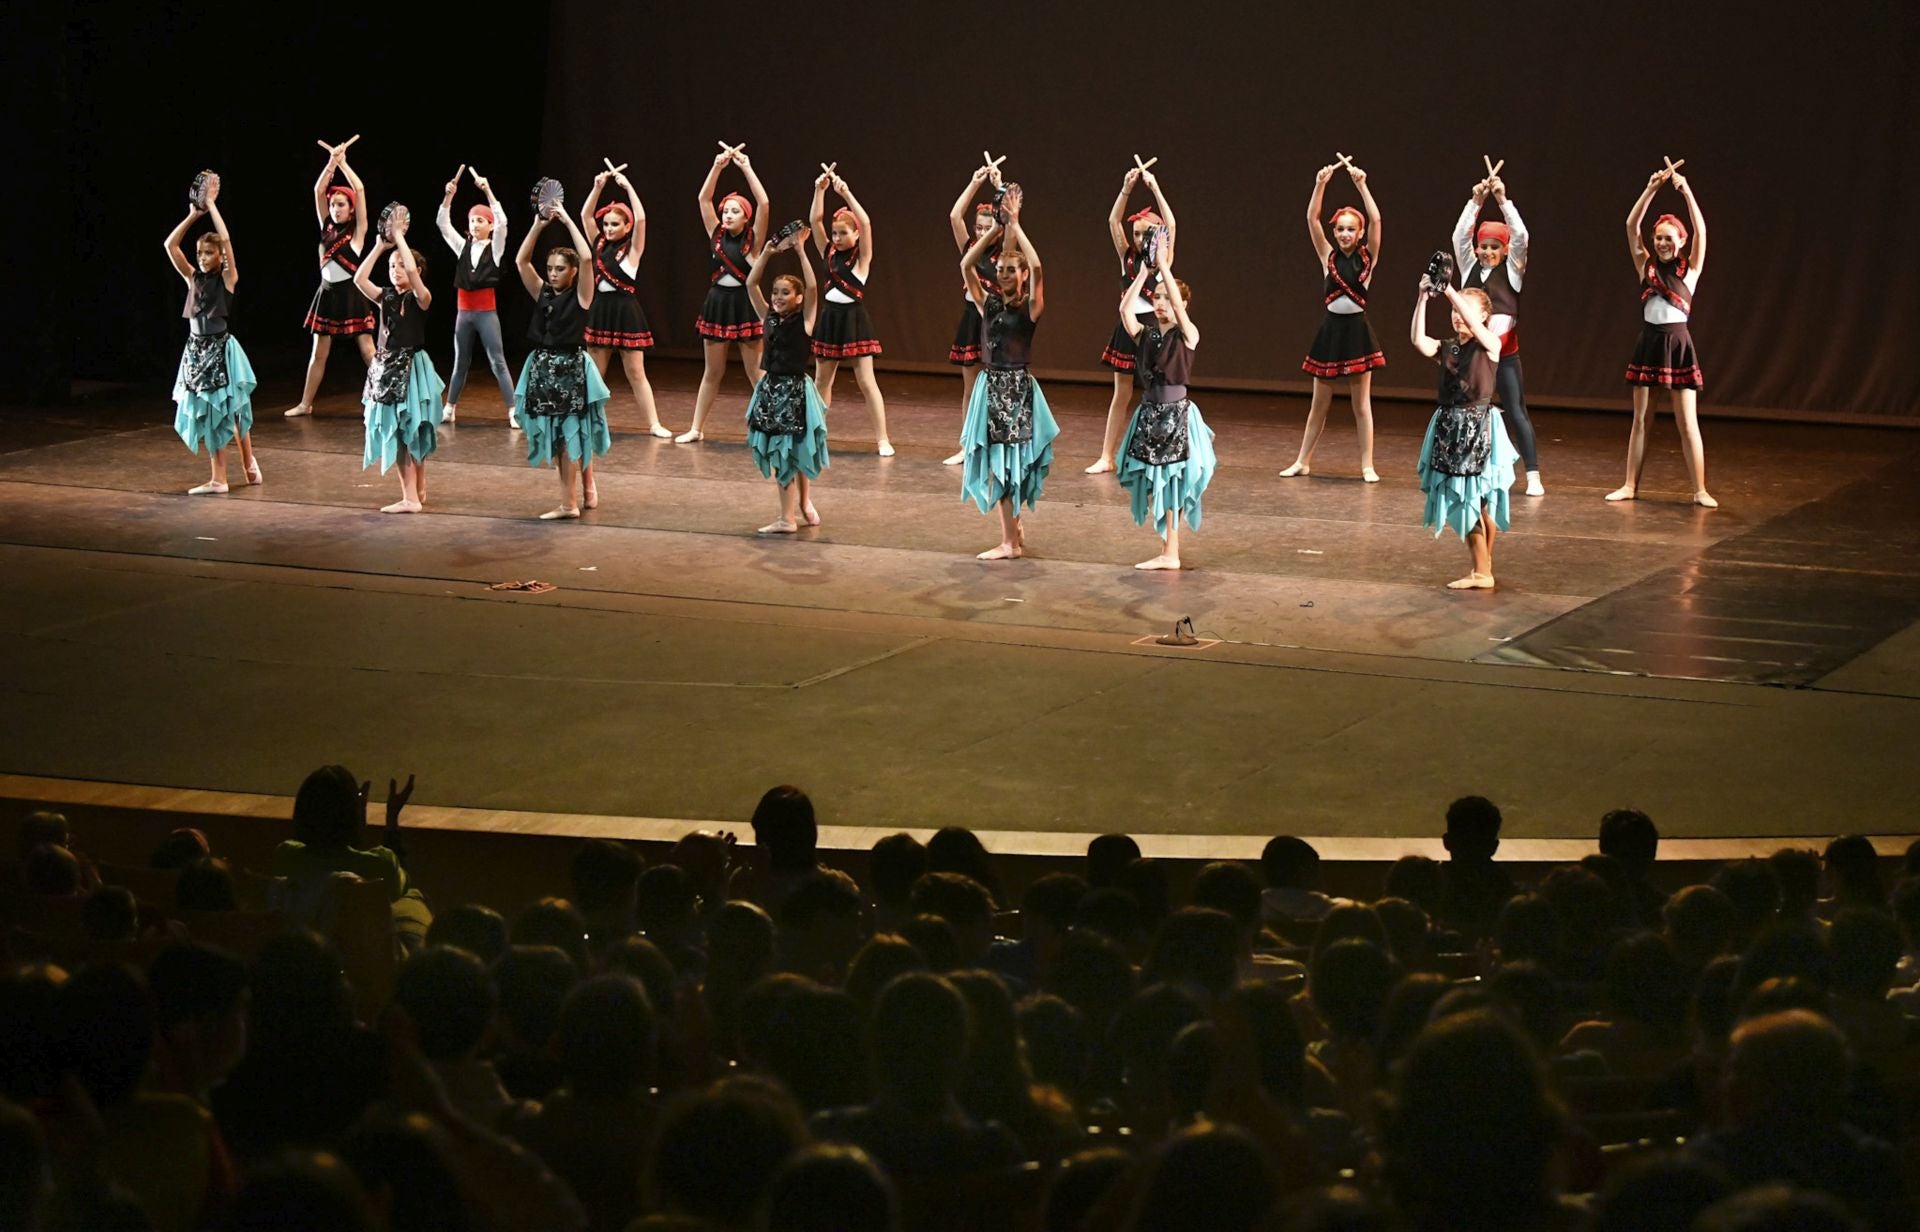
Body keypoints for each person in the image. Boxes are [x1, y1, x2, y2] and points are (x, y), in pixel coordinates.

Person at [958, 188, 1058, 562]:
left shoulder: (1030, 308)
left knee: (1008, 463)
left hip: (1016, 389)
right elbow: (968, 264)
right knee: (1000, 462)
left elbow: (1038, 266)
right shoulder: (989, 303)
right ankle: (1012, 534)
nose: (1001, 274)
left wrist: (1015, 224)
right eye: (999, 270)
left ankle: (1009, 542)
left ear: (1021, 276)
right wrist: (996, 230)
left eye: (1009, 270)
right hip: (992, 386)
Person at [1608, 163, 1714, 506]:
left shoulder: (1690, 269)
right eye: (1659, 238)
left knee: (1687, 423)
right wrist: (1651, 188)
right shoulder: (1646, 266)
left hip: (1678, 344)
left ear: (1681, 242)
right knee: (1641, 419)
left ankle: (1700, 490)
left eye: (1670, 238)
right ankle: (1629, 485)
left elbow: (1701, 230)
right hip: (1649, 343)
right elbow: (1630, 225)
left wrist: (1685, 191)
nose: (1663, 243)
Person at [1409, 278, 1518, 590]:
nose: (1457, 315)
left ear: (1482, 316)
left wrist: (1449, 292)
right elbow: (1418, 340)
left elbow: (1472, 322)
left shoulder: (1490, 343)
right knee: (1477, 501)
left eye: (1464, 311)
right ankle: (1482, 566)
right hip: (1451, 425)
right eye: (1454, 311)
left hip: (1477, 426)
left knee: (1472, 497)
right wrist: (1423, 298)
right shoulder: (1449, 347)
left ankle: (1482, 570)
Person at [1113, 240, 1214, 571]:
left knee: (1171, 483)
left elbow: (1182, 316)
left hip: (1176, 417)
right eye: (1156, 298)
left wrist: (1165, 269)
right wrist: (1143, 273)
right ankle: (1168, 548)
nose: (1159, 302)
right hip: (1150, 414)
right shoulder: (1148, 335)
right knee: (1158, 484)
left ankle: (1171, 552)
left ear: (1182, 303)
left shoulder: (1188, 334)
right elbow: (1125, 311)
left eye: (1167, 298)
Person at [1282, 159, 1384, 482]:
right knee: (1319, 404)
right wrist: (1320, 184)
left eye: (1350, 229)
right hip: (1330, 332)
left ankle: (1367, 464)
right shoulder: (1327, 256)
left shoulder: (1369, 257)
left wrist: (1362, 185)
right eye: (1339, 228)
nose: (1343, 234)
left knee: (1361, 405)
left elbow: (1377, 218)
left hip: (1356, 333)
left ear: (1360, 232)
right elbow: (1311, 218)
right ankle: (1303, 460)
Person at [511, 190, 610, 520]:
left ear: (570, 273)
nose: (552, 273)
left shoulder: (581, 295)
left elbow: (586, 259)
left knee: (568, 438)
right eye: (550, 268)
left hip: (569, 369)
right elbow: (520, 261)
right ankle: (587, 490)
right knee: (567, 434)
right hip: (543, 367)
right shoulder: (541, 291)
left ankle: (569, 504)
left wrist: (566, 218)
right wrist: (539, 225)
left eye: (558, 269)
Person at [164, 176, 259, 495]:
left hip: (220, 350)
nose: (202, 258)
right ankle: (242, 466)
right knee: (217, 410)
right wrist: (194, 214)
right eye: (200, 253)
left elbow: (227, 240)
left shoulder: (227, 280)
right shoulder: (193, 279)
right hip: (196, 351)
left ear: (219, 258)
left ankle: (226, 475)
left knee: (228, 409)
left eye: (208, 253)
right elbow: (170, 246)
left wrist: (214, 206)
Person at [1452, 169, 1543, 496]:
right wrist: (1475, 201)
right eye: (1483, 246)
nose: (1488, 251)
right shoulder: (1469, 268)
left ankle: (1533, 474)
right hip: (1474, 359)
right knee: (1468, 413)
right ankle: (1466, 468)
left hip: (1504, 357)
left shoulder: (1513, 272)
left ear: (1504, 250)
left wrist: (1503, 201)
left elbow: (1521, 236)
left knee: (1516, 411)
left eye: (1494, 246)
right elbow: (1460, 236)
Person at [1087, 163, 1177, 474]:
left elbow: (1173, 224)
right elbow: (1113, 220)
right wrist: (1126, 188)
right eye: (1137, 234)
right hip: (1128, 329)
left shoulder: (1164, 258)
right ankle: (1107, 456)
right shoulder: (1127, 256)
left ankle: (1159, 453)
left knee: (1158, 394)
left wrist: (1154, 187)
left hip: (1153, 331)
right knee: (1121, 393)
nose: (1140, 239)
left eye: (1146, 234)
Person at [677, 144, 770, 443]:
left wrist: (745, 167)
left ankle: (771, 423)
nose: (728, 215)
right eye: (725, 210)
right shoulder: (715, 234)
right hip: (718, 304)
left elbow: (764, 202)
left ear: (746, 217)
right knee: (712, 372)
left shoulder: (753, 240)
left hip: (745, 305)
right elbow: (703, 198)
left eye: (734, 211)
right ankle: (696, 428)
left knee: (756, 373)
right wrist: (717, 166)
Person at [743, 228, 830, 535]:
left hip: (792, 391)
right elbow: (751, 282)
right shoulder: (767, 315)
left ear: (798, 298)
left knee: (786, 453)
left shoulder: (803, 320)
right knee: (793, 452)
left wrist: (801, 251)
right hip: (771, 388)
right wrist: (767, 251)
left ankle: (787, 517)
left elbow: (812, 286)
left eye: (785, 293)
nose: (778, 298)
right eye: (776, 292)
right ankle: (804, 506)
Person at [353, 225, 444, 514]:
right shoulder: (386, 296)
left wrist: (402, 238)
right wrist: (380, 247)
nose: (395, 269)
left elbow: (415, 278)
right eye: (392, 266)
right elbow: (358, 278)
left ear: (416, 269)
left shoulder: (421, 297)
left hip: (411, 367)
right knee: (403, 430)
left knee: (409, 429)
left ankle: (411, 498)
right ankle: (416, 490)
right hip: (388, 365)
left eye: (401, 264)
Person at [579, 164, 672, 438]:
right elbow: (585, 215)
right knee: (595, 373)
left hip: (625, 311)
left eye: (614, 224)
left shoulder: (632, 249)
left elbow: (642, 219)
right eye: (606, 224)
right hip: (601, 311)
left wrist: (627, 187)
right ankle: (587, 420)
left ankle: (654, 424)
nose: (608, 228)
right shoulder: (598, 245)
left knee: (635, 373)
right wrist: (597, 187)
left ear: (626, 226)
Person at [287, 138, 374, 417]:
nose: (336, 209)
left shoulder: (358, 232)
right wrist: (331, 163)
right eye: (333, 205)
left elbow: (359, 188)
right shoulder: (325, 226)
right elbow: (317, 189)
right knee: (319, 354)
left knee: (368, 350)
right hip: (326, 294)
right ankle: (305, 404)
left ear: (351, 208)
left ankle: (384, 398)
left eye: (341, 205)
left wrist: (344, 163)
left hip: (352, 295)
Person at [809, 169, 891, 454]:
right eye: (835, 233)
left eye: (844, 233)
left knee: (867, 382)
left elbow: (866, 222)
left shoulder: (862, 258)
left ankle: (882, 439)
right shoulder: (829, 253)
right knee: (822, 381)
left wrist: (845, 193)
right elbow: (814, 220)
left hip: (854, 320)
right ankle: (817, 434)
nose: (837, 237)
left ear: (855, 235)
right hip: (830, 319)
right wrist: (820, 190)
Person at [434, 165, 517, 427]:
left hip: (485, 312)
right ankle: (450, 407)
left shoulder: (495, 248)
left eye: (480, 220)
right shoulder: (462, 247)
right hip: (464, 313)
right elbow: (442, 224)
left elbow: (503, 222)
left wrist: (488, 190)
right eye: (472, 220)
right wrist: (449, 196)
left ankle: (513, 410)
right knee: (460, 362)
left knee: (497, 361)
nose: (474, 223)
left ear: (490, 226)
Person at [942, 163, 1014, 466]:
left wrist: (1000, 189)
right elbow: (954, 216)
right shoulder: (969, 248)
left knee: (999, 385)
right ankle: (967, 444)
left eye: (988, 227)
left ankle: (1002, 443)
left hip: (995, 322)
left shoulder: (1004, 251)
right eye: (979, 228)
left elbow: (1011, 226)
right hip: (971, 319)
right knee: (970, 387)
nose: (982, 232)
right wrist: (974, 183)